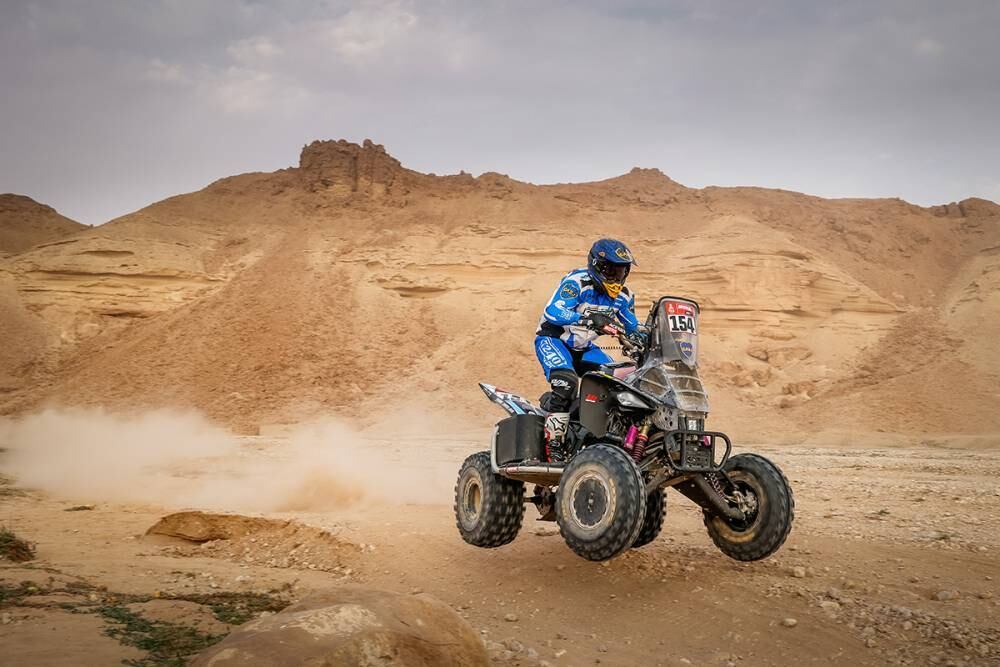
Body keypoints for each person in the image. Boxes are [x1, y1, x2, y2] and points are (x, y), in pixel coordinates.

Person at [534, 238, 640, 460]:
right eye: (610, 270)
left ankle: (597, 435)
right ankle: (554, 445)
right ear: (596, 265)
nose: (615, 277)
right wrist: (588, 318)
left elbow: (633, 327)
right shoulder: (577, 283)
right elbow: (553, 310)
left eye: (621, 271)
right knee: (566, 382)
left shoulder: (623, 296)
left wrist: (651, 336)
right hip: (554, 340)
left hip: (585, 348)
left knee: (620, 380)